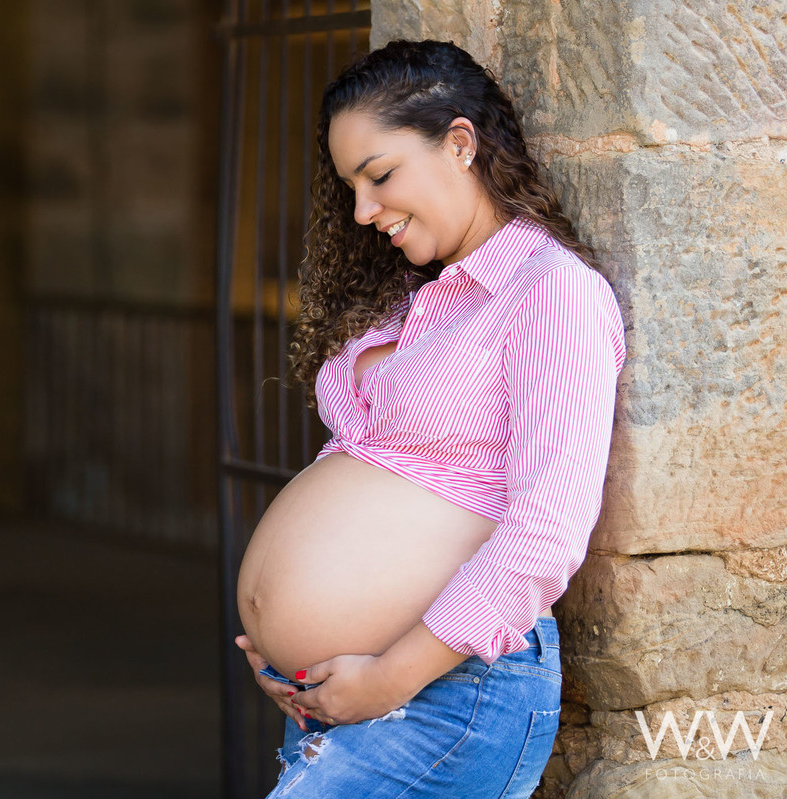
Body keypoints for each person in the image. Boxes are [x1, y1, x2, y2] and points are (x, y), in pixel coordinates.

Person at [232, 39, 626, 798]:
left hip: (443, 694)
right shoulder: (412, 300)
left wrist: (386, 678)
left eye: (379, 176)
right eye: (350, 186)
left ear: (460, 143)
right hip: (341, 690)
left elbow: (547, 531)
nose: (362, 210)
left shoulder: (551, 293)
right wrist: (292, 643)